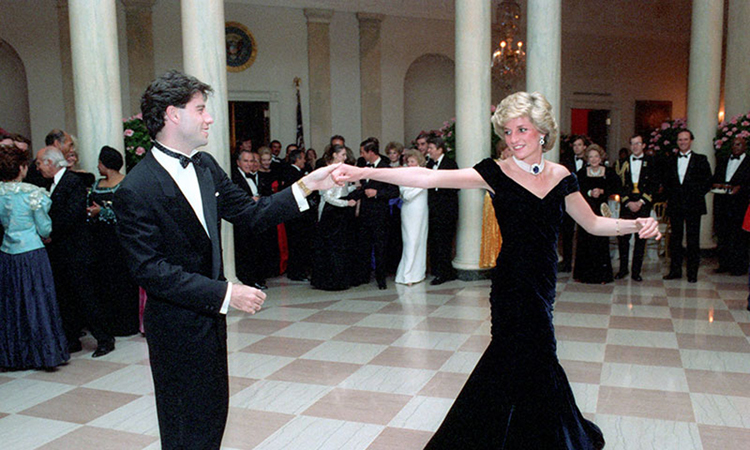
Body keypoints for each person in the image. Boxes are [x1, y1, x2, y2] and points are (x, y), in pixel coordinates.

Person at [332, 91, 660, 449]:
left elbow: (593, 223)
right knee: (521, 353)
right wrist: (365, 171)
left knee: (535, 357)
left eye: (522, 129)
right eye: (507, 131)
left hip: (543, 282)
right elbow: (425, 177)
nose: (513, 139)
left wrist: (635, 224)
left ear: (542, 132)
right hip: (511, 283)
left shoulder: (562, 176)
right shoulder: (495, 172)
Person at [112, 70, 338, 450]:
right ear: (172, 114)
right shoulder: (136, 188)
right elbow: (150, 270)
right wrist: (226, 293)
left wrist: (307, 186)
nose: (210, 118)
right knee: (184, 428)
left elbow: (251, 213)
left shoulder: (205, 166)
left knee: (212, 419)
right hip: (176, 329)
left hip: (211, 326)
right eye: (200, 109)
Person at [37, 146, 115, 357]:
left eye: (40, 163)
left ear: (50, 163)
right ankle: (72, 339)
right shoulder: (50, 183)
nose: (38, 168)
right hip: (61, 251)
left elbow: (72, 215)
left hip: (76, 251)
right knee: (66, 298)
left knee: (86, 296)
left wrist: (51, 233)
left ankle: (105, 338)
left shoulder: (72, 182)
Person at [0, 144, 69, 370]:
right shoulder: (32, 194)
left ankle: (14, 356)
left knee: (13, 305)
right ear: (22, 168)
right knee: (38, 302)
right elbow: (45, 228)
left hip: (7, 253)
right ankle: (46, 355)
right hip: (32, 254)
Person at [86, 146, 140, 336]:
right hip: (99, 241)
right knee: (103, 281)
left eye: (99, 162)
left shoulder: (126, 183)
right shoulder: (96, 184)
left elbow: (128, 213)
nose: (97, 166)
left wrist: (102, 212)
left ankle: (126, 324)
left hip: (120, 241)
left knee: (122, 281)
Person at [349, 137, 399, 289]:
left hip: (379, 215)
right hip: (365, 214)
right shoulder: (365, 167)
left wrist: (377, 193)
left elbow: (394, 192)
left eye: (363, 152)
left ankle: (381, 279)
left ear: (371, 152)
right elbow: (362, 190)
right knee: (363, 246)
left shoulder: (386, 168)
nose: (361, 155)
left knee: (380, 247)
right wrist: (350, 198)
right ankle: (363, 276)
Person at [662, 129, 712, 282]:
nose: (682, 142)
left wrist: (694, 195)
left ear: (691, 141)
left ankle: (692, 274)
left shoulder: (701, 159)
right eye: (680, 140)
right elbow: (666, 182)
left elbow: (707, 182)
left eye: (685, 139)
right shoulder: (670, 160)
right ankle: (675, 271)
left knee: (693, 240)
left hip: (693, 205)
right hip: (675, 205)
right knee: (675, 239)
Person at [310, 145, 356, 291]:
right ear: (335, 155)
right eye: (342, 154)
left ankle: (340, 278)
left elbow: (341, 190)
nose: (345, 157)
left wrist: (354, 187)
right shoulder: (328, 172)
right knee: (331, 247)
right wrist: (346, 203)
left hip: (339, 213)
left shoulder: (341, 170)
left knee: (340, 246)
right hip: (331, 213)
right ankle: (331, 280)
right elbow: (328, 197)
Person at [616, 134, 659, 282]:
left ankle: (636, 272)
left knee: (641, 239)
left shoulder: (652, 162)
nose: (635, 146)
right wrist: (628, 202)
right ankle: (623, 269)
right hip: (627, 205)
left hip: (643, 205)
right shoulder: (621, 163)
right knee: (623, 238)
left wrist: (641, 202)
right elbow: (618, 185)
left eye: (638, 143)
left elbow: (654, 184)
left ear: (644, 145)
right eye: (633, 143)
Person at [573, 144, 618, 284]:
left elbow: (617, 187)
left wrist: (603, 191)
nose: (593, 159)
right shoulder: (581, 173)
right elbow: (576, 190)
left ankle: (602, 276)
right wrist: (589, 192)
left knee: (600, 241)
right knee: (585, 240)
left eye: (596, 156)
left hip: (602, 211)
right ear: (587, 158)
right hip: (585, 210)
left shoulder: (609, 172)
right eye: (591, 157)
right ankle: (583, 275)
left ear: (601, 157)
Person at [712, 136, 750, 275]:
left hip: (740, 204)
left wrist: (740, 188)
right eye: (734, 144)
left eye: (739, 144)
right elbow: (715, 178)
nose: (735, 147)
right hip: (722, 203)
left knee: (739, 236)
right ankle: (724, 264)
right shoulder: (723, 160)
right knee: (723, 233)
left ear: (745, 146)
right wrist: (717, 184)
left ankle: (739, 267)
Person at [231, 148, 268, 289]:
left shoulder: (253, 176)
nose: (249, 164)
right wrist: (250, 200)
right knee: (244, 252)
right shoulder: (234, 177)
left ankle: (256, 279)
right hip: (242, 221)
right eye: (245, 161)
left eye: (251, 161)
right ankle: (248, 281)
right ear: (238, 162)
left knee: (255, 250)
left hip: (254, 219)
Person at [426, 136, 459, 285]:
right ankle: (438, 270)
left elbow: (456, 185)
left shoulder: (450, 164)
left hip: (446, 209)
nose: (429, 151)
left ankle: (444, 272)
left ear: (440, 149)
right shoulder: (429, 164)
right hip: (433, 209)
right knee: (435, 240)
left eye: (431, 148)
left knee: (444, 241)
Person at [395, 149, 428, 285]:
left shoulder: (425, 173)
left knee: (421, 240)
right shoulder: (404, 175)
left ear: (419, 162)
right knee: (411, 241)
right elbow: (406, 195)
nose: (410, 164)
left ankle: (418, 273)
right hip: (409, 210)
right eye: (408, 161)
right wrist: (422, 185)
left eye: (412, 161)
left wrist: (423, 183)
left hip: (422, 210)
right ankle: (406, 275)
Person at [281, 149, 313, 281]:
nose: (305, 161)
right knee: (297, 244)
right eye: (303, 158)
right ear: (297, 159)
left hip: (299, 214)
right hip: (296, 215)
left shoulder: (295, 172)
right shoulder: (292, 173)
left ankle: (300, 271)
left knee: (300, 244)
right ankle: (296, 272)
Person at [558, 135, 588, 272]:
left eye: (579, 145)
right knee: (567, 233)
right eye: (575, 145)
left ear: (585, 147)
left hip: (586, 202)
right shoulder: (566, 162)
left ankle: (583, 265)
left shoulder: (591, 161)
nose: (577, 148)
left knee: (585, 233)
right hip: (569, 201)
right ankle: (567, 263)